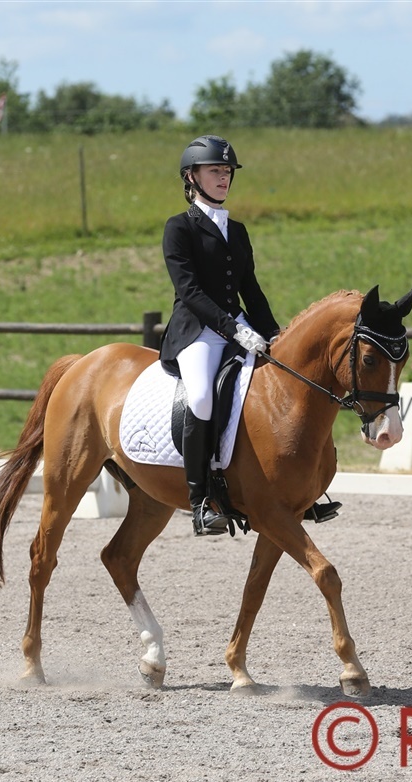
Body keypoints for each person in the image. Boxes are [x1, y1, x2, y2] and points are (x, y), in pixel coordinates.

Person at [159, 135, 279, 536]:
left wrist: (274, 333)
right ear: (191, 177)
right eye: (215, 170)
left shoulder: (238, 231)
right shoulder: (179, 228)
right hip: (197, 331)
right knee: (201, 396)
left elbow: (251, 290)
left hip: (240, 328)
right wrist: (233, 329)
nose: (224, 177)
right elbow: (189, 291)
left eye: (227, 171)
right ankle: (199, 501)